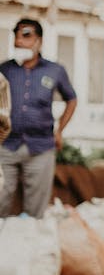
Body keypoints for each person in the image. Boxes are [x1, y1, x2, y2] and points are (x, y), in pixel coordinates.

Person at [0, 18, 77, 218]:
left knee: (35, 209)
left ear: (39, 41)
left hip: (41, 147)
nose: (19, 41)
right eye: (16, 36)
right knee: (1, 198)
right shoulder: (4, 70)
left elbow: (72, 99)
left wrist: (60, 131)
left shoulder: (55, 70)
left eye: (26, 35)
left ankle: (30, 243)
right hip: (6, 146)